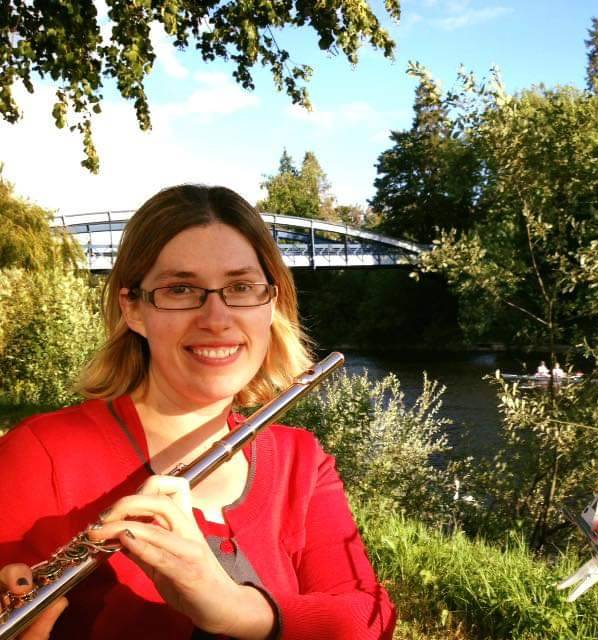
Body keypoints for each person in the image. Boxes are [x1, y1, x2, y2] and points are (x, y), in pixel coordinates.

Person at [0, 185, 395, 639]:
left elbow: (370, 620)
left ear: (271, 304)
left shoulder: (300, 460)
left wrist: (235, 609)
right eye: (181, 289)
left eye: (242, 287)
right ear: (134, 309)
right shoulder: (38, 456)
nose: (216, 318)